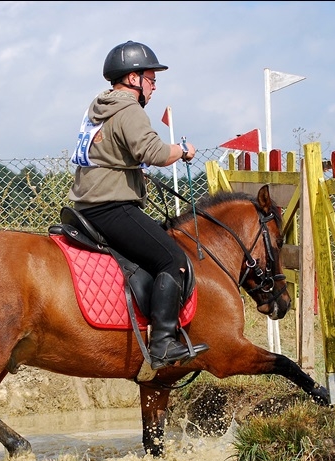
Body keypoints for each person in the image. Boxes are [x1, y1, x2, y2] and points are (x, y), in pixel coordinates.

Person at [68, 40, 209, 371]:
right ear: (133, 78)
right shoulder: (130, 109)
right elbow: (156, 153)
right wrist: (183, 149)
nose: (154, 86)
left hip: (88, 206)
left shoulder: (98, 109)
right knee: (173, 259)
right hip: (112, 208)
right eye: (151, 78)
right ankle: (162, 344)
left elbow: (112, 155)